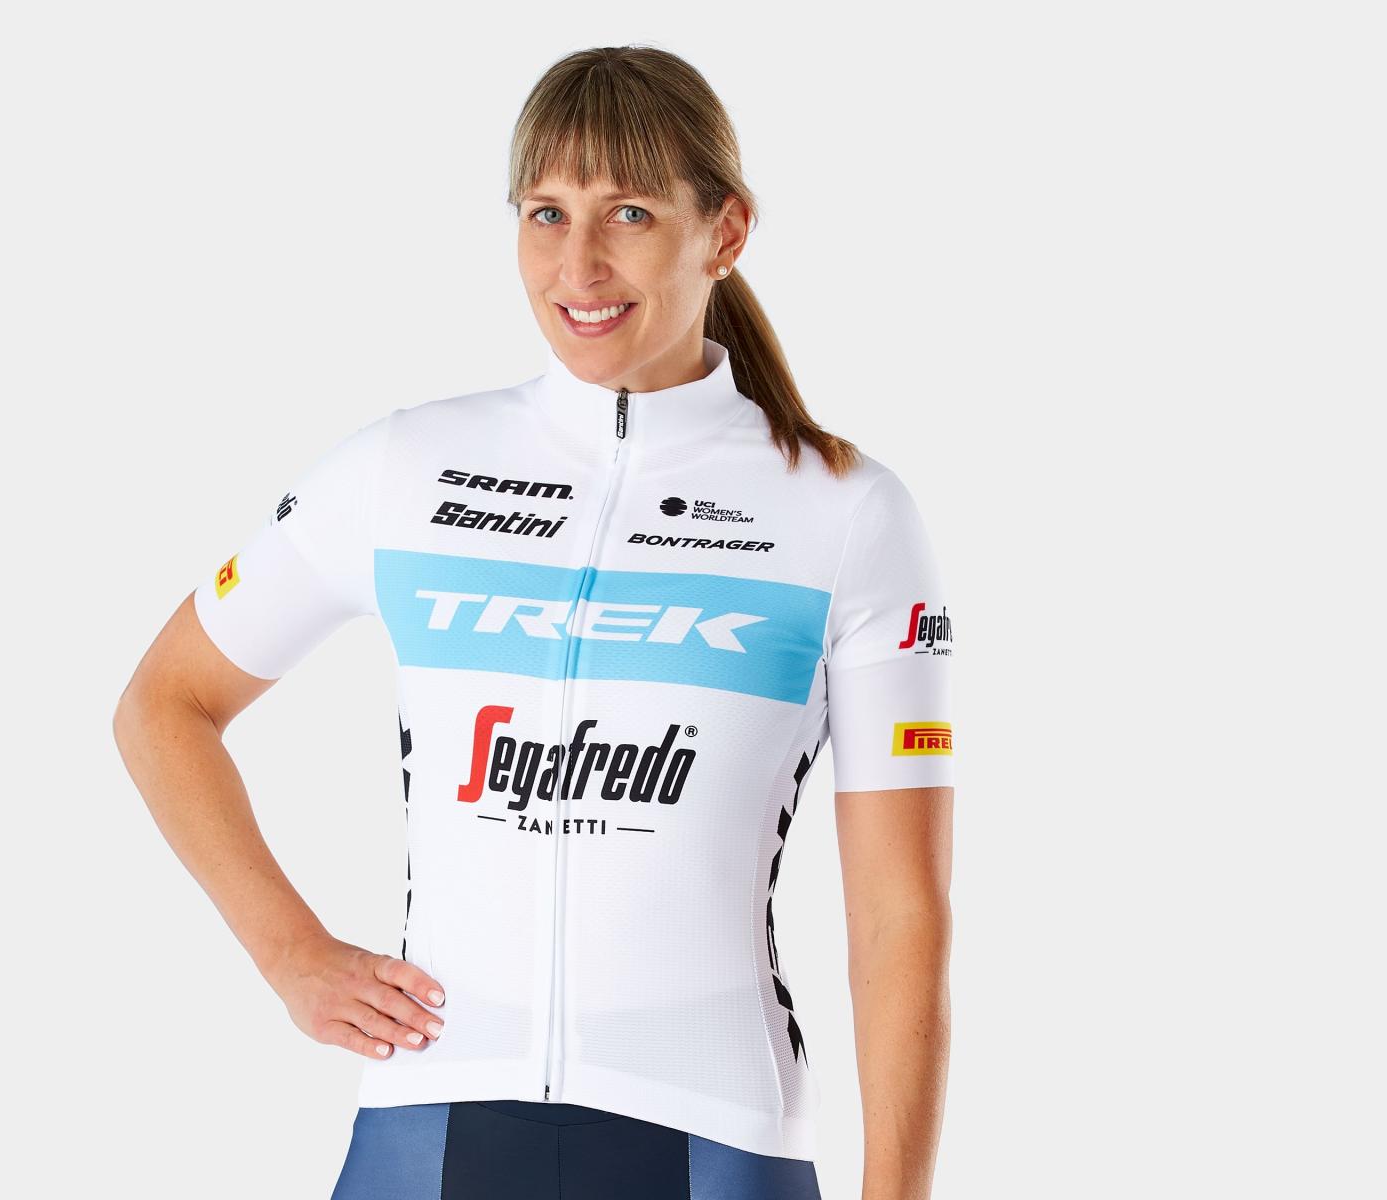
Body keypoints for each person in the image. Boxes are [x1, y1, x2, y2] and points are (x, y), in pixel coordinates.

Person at [114, 44, 955, 1200]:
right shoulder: (404, 468)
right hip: (427, 1122)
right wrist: (289, 951)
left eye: (630, 213)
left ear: (725, 230)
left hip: (710, 1130)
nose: (578, 263)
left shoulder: (845, 513)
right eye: (545, 212)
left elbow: (899, 916)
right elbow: (164, 705)